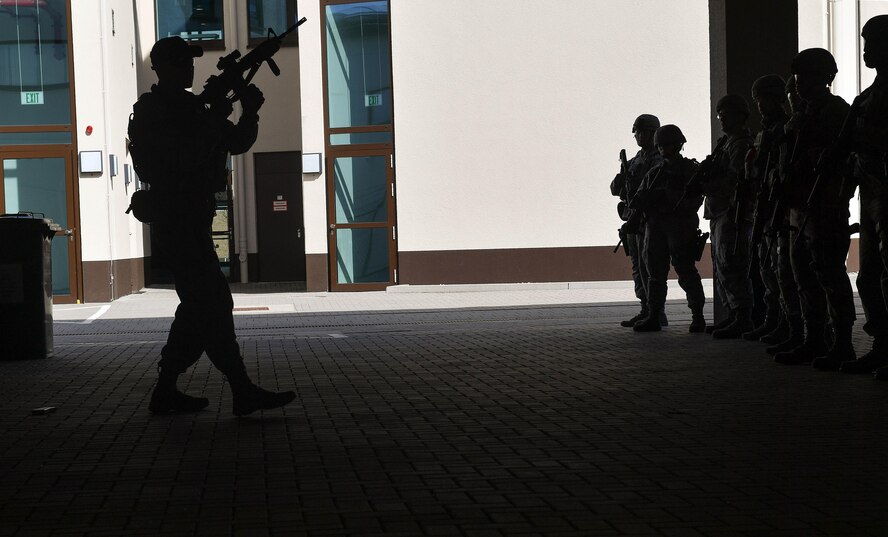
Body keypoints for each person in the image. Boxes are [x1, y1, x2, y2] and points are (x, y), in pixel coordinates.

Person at [129, 36, 296, 415]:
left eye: (190, 61)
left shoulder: (195, 107)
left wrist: (248, 112)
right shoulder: (154, 111)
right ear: (162, 67)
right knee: (212, 303)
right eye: (181, 61)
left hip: (193, 220)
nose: (189, 67)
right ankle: (238, 388)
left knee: (200, 307)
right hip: (176, 221)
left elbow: (234, 143)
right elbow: (178, 159)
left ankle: (170, 388)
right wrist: (213, 117)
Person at [775, 48, 857, 369]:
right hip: (800, 204)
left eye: (808, 76)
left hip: (825, 204)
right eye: (798, 77)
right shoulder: (801, 114)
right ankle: (814, 339)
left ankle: (842, 342)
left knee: (829, 275)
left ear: (825, 78)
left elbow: (847, 157)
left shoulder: (836, 111)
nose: (800, 83)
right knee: (803, 274)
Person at [840, 15, 888, 378]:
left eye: (872, 42)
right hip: (870, 195)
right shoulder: (866, 98)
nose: (866, 49)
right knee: (869, 276)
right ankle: (882, 344)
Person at [630, 124, 707, 333]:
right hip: (656, 227)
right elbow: (639, 198)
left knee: (685, 271)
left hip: (680, 226)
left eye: (668, 145)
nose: (664, 149)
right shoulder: (654, 172)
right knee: (655, 274)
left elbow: (695, 199)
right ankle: (654, 315)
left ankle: (697, 316)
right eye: (661, 145)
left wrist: (668, 196)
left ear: (679, 145)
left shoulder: (689, 169)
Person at [743, 75, 799, 345]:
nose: (760, 105)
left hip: (782, 208)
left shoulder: (785, 129)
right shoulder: (764, 132)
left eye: (763, 99)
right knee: (769, 269)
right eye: (757, 100)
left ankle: (792, 325)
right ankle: (775, 321)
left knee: (784, 271)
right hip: (765, 206)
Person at [702, 95, 756, 339]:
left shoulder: (741, 144)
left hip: (732, 211)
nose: (722, 119)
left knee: (732, 263)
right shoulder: (726, 143)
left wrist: (710, 182)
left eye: (726, 115)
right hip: (720, 210)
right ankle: (734, 313)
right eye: (720, 115)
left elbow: (734, 179)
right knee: (722, 263)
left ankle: (742, 315)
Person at [611, 114, 665, 328]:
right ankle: (645, 308)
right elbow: (615, 189)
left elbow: (654, 189)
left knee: (650, 266)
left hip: (649, 220)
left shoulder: (658, 159)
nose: (638, 136)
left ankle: (655, 311)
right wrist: (622, 180)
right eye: (637, 132)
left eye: (642, 132)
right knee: (637, 266)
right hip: (633, 220)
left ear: (653, 134)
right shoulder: (634, 161)